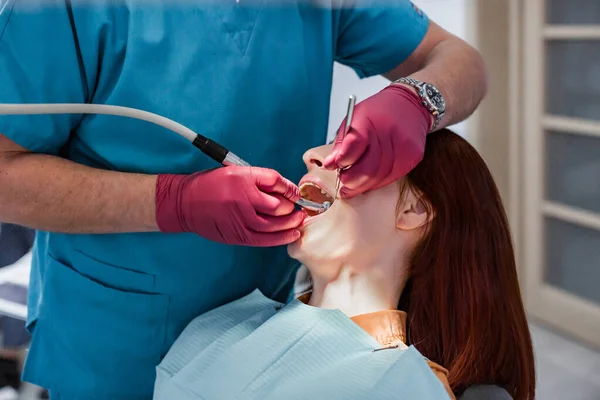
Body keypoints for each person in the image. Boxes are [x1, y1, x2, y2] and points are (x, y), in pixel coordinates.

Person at [0, 0, 488, 397]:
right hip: (113, 336)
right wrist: (175, 201)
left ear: (415, 210)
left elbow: (460, 61)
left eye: (351, 162)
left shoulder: (391, 383)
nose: (313, 155)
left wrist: (419, 99)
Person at [155, 130, 535, 400]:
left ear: (412, 209)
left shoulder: (407, 386)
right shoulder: (220, 326)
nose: (312, 155)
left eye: (355, 153)